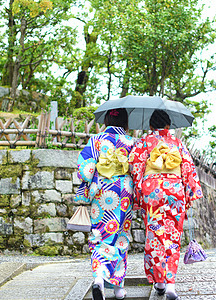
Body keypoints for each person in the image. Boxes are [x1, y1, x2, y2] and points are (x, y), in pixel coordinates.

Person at [129, 109, 203, 300]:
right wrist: (189, 194)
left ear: (151, 126)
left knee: (154, 235)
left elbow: (135, 168)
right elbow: (188, 169)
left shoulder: (144, 143)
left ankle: (159, 282)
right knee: (172, 236)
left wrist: (139, 193)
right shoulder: (177, 143)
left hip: (152, 192)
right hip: (174, 192)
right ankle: (170, 284)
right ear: (169, 126)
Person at [75, 108, 134, 300]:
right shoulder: (130, 141)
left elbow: (85, 171)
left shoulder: (96, 140)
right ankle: (118, 289)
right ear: (126, 122)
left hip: (101, 191)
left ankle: (99, 277)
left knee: (100, 234)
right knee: (120, 235)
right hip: (124, 192)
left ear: (107, 119)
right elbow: (137, 168)